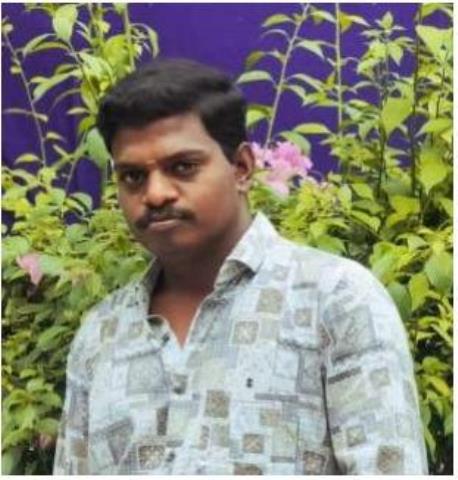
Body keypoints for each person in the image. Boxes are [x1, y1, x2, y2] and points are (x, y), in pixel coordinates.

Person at [53, 58, 428, 475]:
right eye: (133, 176)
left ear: (242, 168)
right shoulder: (101, 334)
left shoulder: (334, 300)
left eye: (183, 167)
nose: (155, 194)